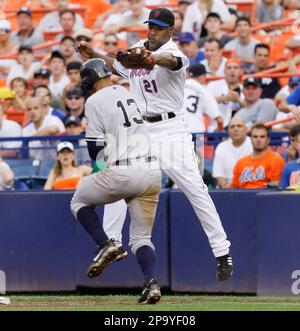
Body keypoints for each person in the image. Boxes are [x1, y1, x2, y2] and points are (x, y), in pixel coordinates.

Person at [76, 7, 233, 281]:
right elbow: (117, 66)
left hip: (171, 128)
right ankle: (112, 242)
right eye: (151, 25)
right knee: (119, 176)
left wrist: (152, 58)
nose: (152, 30)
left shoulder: (175, 52)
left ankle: (222, 252)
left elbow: (169, 61)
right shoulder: (138, 46)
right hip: (141, 127)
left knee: (195, 189)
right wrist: (94, 54)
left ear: (170, 31)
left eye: (159, 27)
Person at [70, 58, 162, 304]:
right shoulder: (126, 90)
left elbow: (94, 150)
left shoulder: (94, 101)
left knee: (78, 200)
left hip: (123, 170)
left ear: (88, 80)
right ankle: (151, 284)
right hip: (152, 170)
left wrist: (103, 165)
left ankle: (106, 244)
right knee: (141, 238)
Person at [231, 123, 285, 189]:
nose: (258, 140)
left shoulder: (276, 160)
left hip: (264, 197)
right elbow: (233, 189)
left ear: (268, 140)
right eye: (255, 137)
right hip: (242, 197)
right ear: (251, 139)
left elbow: (276, 189)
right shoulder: (240, 163)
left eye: (262, 137)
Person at [213, 117, 253, 188]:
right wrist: (228, 189)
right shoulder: (221, 147)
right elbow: (219, 175)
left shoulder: (253, 144)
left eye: (239, 126)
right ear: (228, 130)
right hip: (227, 189)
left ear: (246, 129)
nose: (235, 129)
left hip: (250, 186)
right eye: (232, 127)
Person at [184, 62, 223, 133]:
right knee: (200, 144)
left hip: (179, 132)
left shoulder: (179, 88)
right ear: (202, 76)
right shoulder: (203, 90)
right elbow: (219, 120)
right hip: (197, 131)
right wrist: (220, 133)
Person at [207, 59, 244, 130]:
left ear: (241, 71)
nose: (232, 70)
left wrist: (238, 100)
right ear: (224, 71)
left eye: (235, 68)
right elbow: (205, 101)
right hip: (214, 128)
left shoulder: (246, 88)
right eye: (229, 68)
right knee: (199, 138)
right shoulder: (213, 85)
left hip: (239, 130)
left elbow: (250, 108)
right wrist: (224, 98)